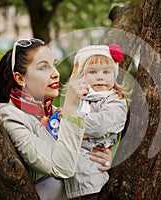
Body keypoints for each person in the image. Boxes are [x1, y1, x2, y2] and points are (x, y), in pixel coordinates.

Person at [0, 38, 113, 200]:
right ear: (20, 78)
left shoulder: (52, 113)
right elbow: (63, 168)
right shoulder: (11, 116)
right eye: (43, 67)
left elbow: (82, 152)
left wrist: (101, 157)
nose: (55, 74)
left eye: (54, 65)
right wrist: (70, 109)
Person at [64, 44, 128, 199]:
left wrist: (70, 121)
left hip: (91, 171)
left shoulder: (115, 100)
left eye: (106, 72)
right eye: (92, 72)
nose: (100, 77)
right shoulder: (82, 99)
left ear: (114, 75)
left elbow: (100, 124)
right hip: (73, 165)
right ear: (82, 77)